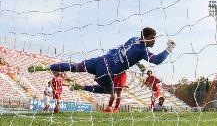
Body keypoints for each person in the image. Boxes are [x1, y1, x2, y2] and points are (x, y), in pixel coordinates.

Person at [28, 27, 176, 96]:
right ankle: (80, 87)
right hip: (105, 72)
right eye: (153, 38)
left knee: (73, 67)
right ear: (147, 37)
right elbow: (156, 60)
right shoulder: (142, 51)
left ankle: (46, 67)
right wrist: (168, 50)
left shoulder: (133, 39)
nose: (155, 41)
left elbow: (131, 53)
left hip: (100, 60)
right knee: (109, 92)